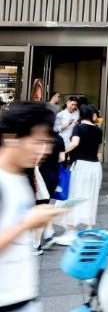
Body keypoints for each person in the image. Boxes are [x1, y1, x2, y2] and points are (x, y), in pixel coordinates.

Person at [0, 101, 65, 311]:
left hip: (22, 298)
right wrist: (26, 223)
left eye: (47, 142)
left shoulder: (21, 178)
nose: (44, 150)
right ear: (11, 139)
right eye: (37, 142)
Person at [55, 104, 103, 245]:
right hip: (95, 166)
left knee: (74, 194)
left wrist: (62, 151)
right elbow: (98, 150)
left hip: (81, 165)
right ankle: (89, 228)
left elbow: (75, 143)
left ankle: (71, 229)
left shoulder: (78, 127)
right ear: (92, 115)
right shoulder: (98, 130)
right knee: (91, 196)